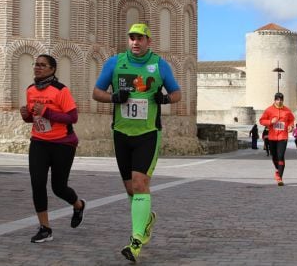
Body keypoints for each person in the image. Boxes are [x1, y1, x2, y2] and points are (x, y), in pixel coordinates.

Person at [92, 23, 181, 262]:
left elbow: (177, 94)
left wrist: (163, 99)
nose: (135, 42)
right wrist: (113, 97)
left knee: (141, 184)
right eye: (132, 38)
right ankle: (147, 219)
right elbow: (96, 92)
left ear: (148, 41)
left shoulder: (160, 65)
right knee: (131, 189)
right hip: (121, 133)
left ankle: (136, 241)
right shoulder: (114, 62)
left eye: (140, 38)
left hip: (148, 133)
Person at [20, 54, 85, 243]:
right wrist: (26, 116)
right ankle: (45, 228)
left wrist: (47, 111)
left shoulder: (60, 90)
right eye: (36, 64)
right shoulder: (31, 90)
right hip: (39, 142)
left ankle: (78, 205)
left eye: (42, 65)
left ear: (52, 69)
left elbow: (72, 118)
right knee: (37, 182)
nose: (37, 68)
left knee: (59, 187)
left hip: (63, 144)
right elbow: (35, 118)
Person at [259, 92, 295, 186]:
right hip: (272, 137)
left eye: (281, 100)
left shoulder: (287, 110)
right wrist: (271, 121)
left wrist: (291, 126)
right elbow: (261, 121)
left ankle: (279, 178)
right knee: (274, 156)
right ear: (274, 100)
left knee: (281, 155)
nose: (279, 101)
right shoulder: (269, 110)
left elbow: (291, 120)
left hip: (283, 137)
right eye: (278, 99)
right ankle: (277, 170)